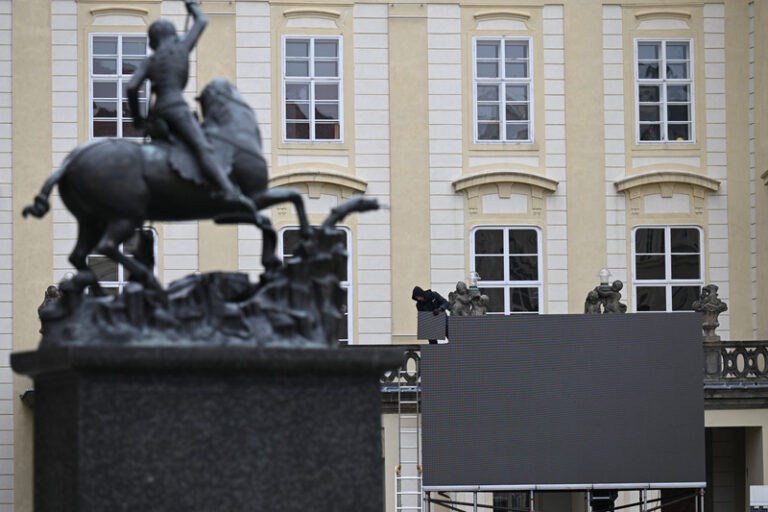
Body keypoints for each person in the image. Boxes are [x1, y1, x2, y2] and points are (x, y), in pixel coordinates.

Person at [127, 0, 243, 205]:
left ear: (153, 40)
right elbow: (202, 20)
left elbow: (131, 86)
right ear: (171, 34)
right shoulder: (180, 49)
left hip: (157, 113)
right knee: (202, 147)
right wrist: (191, 5)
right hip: (177, 109)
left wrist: (139, 117)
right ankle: (226, 189)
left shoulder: (151, 61)